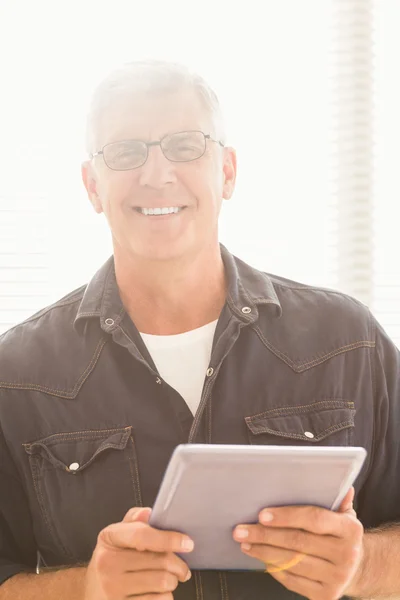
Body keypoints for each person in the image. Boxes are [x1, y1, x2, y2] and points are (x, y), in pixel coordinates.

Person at [0, 60, 400, 600]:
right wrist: (86, 588)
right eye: (126, 152)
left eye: (185, 145)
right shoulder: (18, 375)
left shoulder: (348, 341)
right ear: (93, 186)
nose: (157, 174)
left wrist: (363, 567)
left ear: (228, 171)